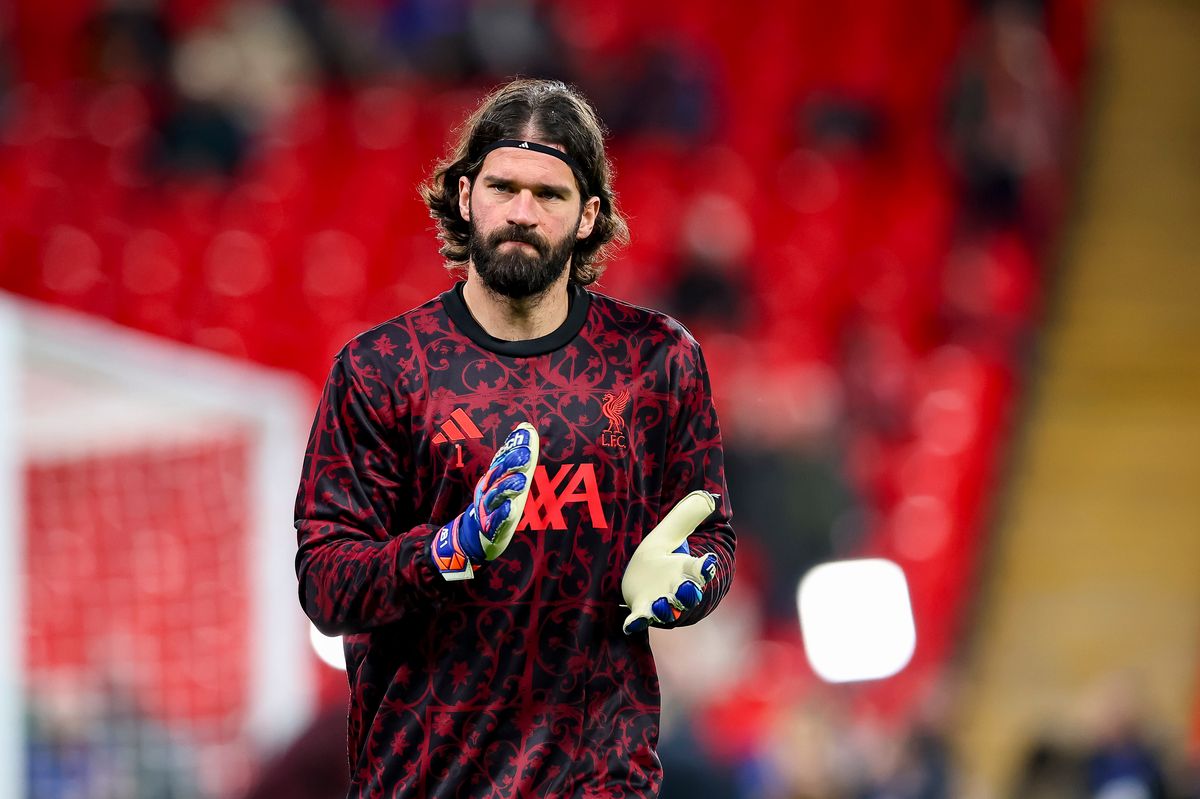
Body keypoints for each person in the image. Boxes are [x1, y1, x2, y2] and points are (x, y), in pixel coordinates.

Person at [294, 78, 736, 798]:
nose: (522, 212)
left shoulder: (656, 361)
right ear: (466, 195)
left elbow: (712, 542)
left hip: (600, 783)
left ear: (589, 215)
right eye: (503, 186)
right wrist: (447, 550)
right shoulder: (382, 370)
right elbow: (326, 582)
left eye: (550, 194)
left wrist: (690, 583)